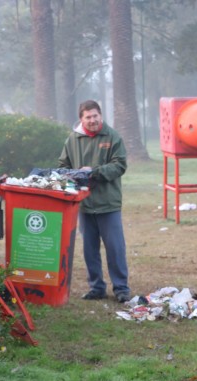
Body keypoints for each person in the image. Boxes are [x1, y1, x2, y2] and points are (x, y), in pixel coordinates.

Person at [58, 100, 131, 303]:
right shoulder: (73, 139)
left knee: (115, 248)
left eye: (95, 116)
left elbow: (120, 165)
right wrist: (70, 176)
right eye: (88, 117)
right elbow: (63, 165)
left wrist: (94, 172)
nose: (92, 120)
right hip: (84, 204)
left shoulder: (112, 136)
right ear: (81, 119)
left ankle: (121, 288)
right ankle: (96, 287)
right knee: (90, 249)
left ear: (101, 115)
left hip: (108, 203)